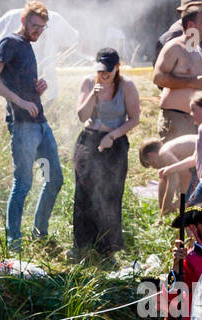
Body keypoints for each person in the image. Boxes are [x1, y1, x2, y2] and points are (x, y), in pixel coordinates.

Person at [0, 2, 62, 252]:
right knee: (24, 183)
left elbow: (19, 80)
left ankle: (39, 235)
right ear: (23, 20)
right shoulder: (9, 42)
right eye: (35, 26)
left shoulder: (28, 46)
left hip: (40, 123)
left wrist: (38, 87)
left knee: (53, 179)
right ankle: (14, 243)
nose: (38, 31)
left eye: (43, 28)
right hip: (22, 127)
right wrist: (19, 101)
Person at [72, 48, 139, 259]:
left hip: (115, 143)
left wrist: (113, 136)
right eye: (100, 70)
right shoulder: (88, 83)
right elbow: (82, 115)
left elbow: (134, 118)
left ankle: (107, 247)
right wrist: (94, 94)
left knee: (111, 193)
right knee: (84, 192)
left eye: (108, 71)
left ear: (117, 67)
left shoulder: (127, 86)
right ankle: (82, 244)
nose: (104, 75)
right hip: (89, 140)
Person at [0, 3, 79, 104]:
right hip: (15, 91)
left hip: (46, 85)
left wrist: (55, 58)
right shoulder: (13, 16)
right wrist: (2, 62)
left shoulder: (55, 19)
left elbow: (73, 41)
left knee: (44, 115)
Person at [153, 3, 202, 142]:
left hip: (193, 118)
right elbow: (158, 78)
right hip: (175, 118)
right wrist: (191, 82)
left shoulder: (197, 48)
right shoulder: (175, 46)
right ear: (191, 25)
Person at [138, 132, 197, 213]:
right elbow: (167, 182)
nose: (154, 167)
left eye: (150, 163)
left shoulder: (165, 153)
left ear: (150, 155)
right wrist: (163, 210)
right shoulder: (167, 153)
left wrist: (180, 202)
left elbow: (186, 177)